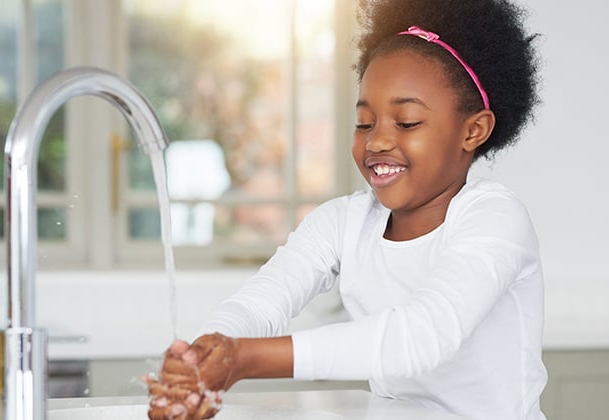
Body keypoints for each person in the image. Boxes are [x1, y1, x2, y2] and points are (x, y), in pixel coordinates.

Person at [147, 0, 546, 418]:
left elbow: (419, 337)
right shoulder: (343, 222)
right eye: (364, 122)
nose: (376, 142)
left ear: (473, 130)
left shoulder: (495, 218)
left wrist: (242, 359)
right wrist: (200, 361)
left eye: (406, 122)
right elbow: (261, 302)